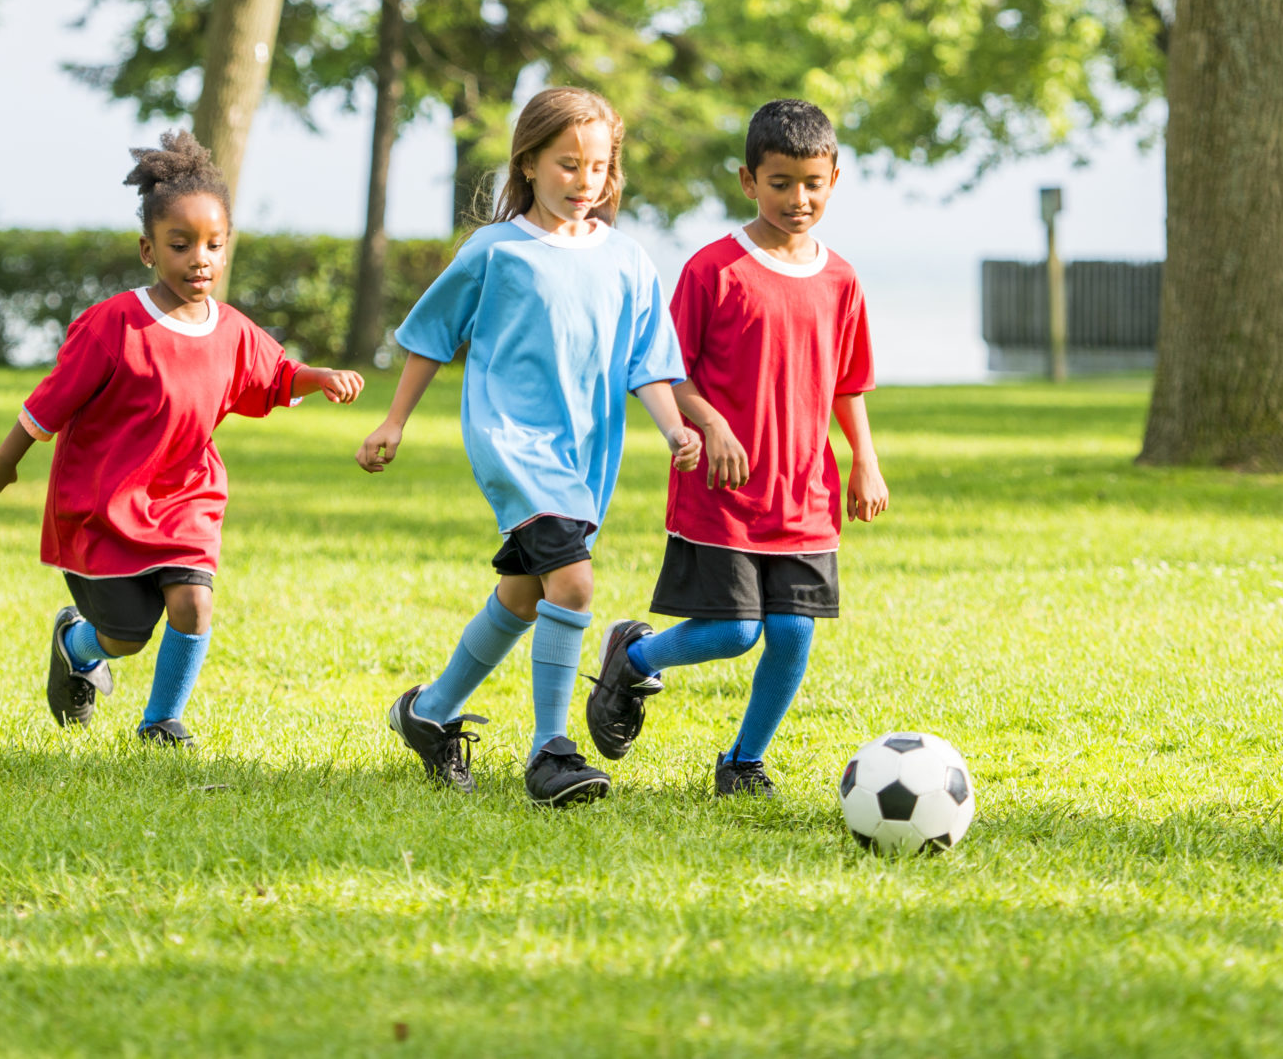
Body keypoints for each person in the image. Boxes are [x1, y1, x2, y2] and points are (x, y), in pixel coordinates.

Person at [358, 86, 701, 806]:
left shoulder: (629, 260)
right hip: (511, 443)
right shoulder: (496, 249)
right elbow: (430, 335)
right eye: (567, 164)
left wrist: (673, 427)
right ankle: (551, 750)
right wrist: (394, 420)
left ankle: (430, 711)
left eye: (599, 166)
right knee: (573, 584)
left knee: (524, 594)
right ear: (530, 163)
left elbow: (649, 361)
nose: (585, 182)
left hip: (585, 458)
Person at [0, 133, 365, 746]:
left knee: (192, 605)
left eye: (213, 245)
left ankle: (160, 722)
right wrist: (5, 457)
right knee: (125, 637)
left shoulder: (232, 329)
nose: (199, 259)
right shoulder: (113, 325)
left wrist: (322, 378)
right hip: (105, 504)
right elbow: (53, 398)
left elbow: (277, 376)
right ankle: (76, 644)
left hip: (187, 497)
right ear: (148, 250)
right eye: (181, 246)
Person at [583, 98, 888, 795]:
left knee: (793, 633)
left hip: (804, 493)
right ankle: (634, 657)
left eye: (812, 183)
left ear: (834, 178)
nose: (798, 198)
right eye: (780, 182)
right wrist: (710, 423)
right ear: (748, 181)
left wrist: (863, 458)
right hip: (724, 492)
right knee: (736, 629)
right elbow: (663, 369)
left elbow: (849, 381)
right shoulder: (713, 269)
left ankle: (743, 761)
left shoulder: (841, 279)